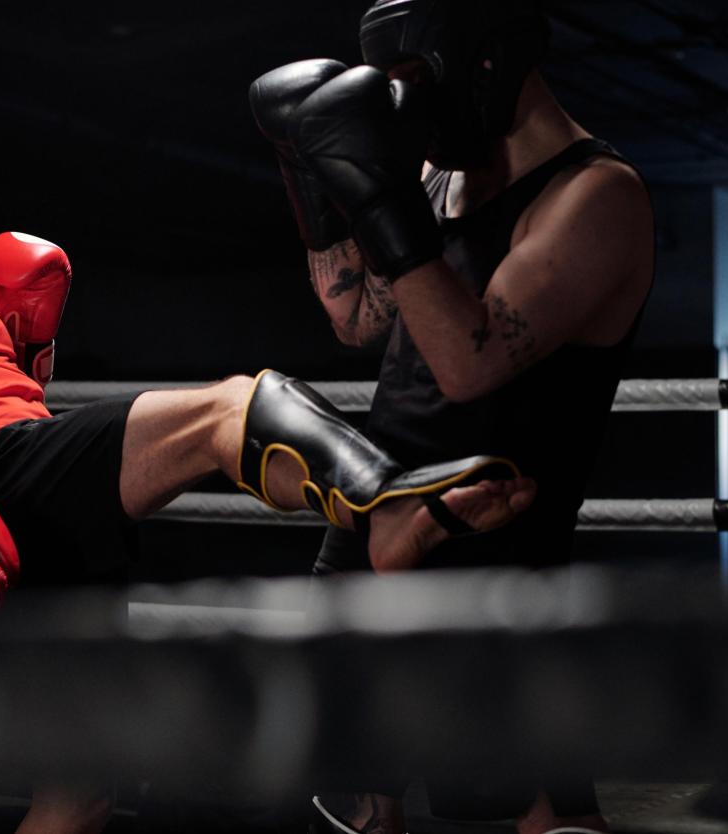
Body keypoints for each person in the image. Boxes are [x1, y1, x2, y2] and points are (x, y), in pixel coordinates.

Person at [0, 123, 536, 834]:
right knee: (232, 408)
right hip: (3, 471)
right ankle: (382, 507)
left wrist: (28, 349)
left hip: (20, 514)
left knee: (79, 795)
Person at [249, 1, 655, 832]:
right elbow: (358, 322)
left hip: (489, 529)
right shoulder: (437, 180)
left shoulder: (596, 196)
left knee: (525, 809)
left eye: (410, 83)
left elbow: (471, 363)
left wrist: (384, 199)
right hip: (376, 505)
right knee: (361, 805)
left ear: (485, 64)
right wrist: (317, 182)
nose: (405, 110)